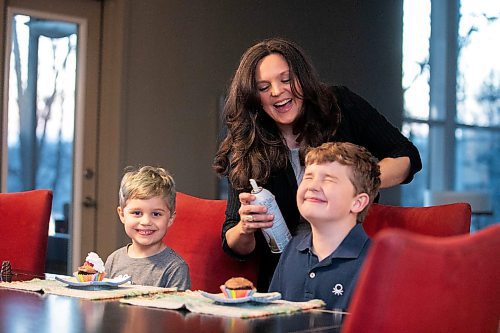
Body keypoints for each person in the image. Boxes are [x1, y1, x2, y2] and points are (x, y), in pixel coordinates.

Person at [213, 37, 421, 290]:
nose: (277, 91)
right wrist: (245, 228)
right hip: (284, 274)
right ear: (254, 97)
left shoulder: (340, 106)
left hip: (348, 263)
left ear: (302, 77)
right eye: (263, 87)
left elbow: (406, 156)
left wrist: (357, 181)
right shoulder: (248, 145)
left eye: (286, 79)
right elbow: (233, 242)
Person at [268, 142, 380, 310]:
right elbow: (271, 318)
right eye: (308, 177)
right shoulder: (292, 248)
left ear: (357, 202)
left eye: (328, 179)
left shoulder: (377, 262)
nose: (312, 186)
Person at [105, 165, 191, 290]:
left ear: (170, 218)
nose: (146, 221)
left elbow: (175, 309)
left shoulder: (175, 268)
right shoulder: (113, 260)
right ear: (122, 215)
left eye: (156, 214)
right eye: (137, 213)